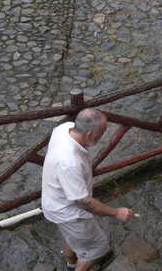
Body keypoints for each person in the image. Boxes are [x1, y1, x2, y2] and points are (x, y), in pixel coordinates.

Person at [41, 108, 133, 271]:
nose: (102, 136)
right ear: (89, 134)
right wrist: (117, 212)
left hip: (54, 201)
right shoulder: (70, 162)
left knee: (74, 237)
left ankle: (70, 264)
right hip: (70, 212)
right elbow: (83, 201)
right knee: (95, 251)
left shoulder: (63, 129)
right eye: (101, 133)